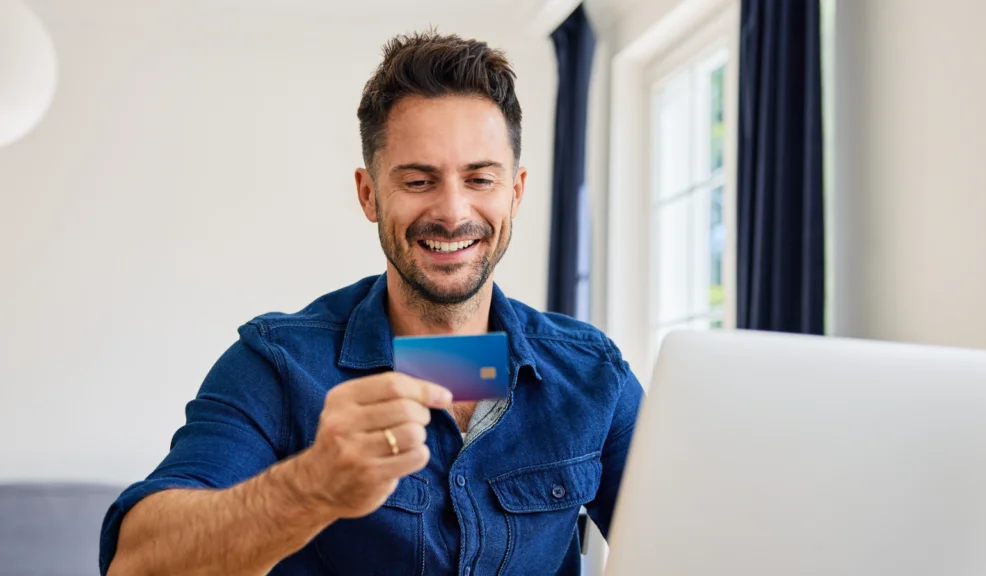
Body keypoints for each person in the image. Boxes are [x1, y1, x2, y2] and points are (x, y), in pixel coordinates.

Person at [100, 30, 644, 576]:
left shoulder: (593, 373)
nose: (453, 212)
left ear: (516, 192)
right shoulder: (275, 365)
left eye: (480, 178)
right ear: (369, 194)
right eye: (417, 180)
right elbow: (137, 564)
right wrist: (310, 486)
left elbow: (699, 534)